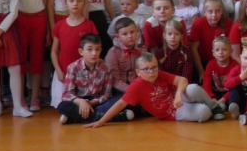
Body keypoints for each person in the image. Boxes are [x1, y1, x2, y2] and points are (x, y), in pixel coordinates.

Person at [85, 51, 216, 127]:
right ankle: (206, 108)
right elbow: (120, 104)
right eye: (146, 69)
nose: (151, 72)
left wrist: (178, 96)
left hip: (179, 99)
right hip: (173, 112)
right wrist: (101, 121)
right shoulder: (136, 86)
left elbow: (182, 80)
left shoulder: (160, 74)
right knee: (203, 112)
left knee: (192, 88)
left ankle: (215, 107)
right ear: (138, 72)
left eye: (154, 67)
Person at [56, 34, 133, 125]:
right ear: (81, 51)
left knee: (120, 98)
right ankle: (113, 117)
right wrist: (80, 102)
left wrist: (91, 103)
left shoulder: (106, 67)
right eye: (90, 49)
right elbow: (67, 93)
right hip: (80, 102)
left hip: (98, 102)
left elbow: (107, 94)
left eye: (97, 49)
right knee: (62, 106)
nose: (94, 53)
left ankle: (75, 118)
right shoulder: (73, 67)